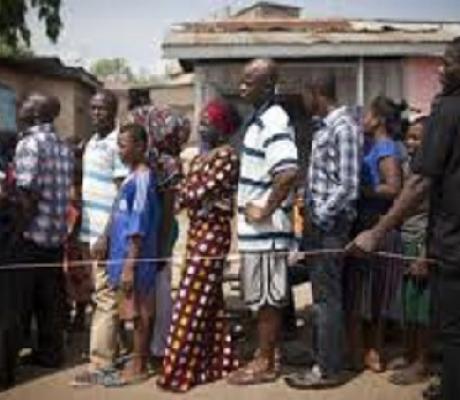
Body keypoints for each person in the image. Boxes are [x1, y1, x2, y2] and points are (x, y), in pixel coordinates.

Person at [347, 36, 460, 400]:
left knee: (452, 328)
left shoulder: (447, 109)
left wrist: (377, 233)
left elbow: (419, 181)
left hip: (452, 242)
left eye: (449, 61)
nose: (441, 70)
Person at [157, 99, 240, 393]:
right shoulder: (199, 158)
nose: (202, 127)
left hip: (213, 235)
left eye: (209, 122)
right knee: (210, 302)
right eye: (202, 121)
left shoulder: (227, 156)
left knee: (189, 302)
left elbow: (194, 192)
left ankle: (176, 373)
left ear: (223, 128)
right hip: (196, 232)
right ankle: (218, 364)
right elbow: (185, 194)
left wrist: (183, 191)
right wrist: (184, 192)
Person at [285, 76, 361, 389]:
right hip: (318, 225)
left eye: (304, 94)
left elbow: (348, 185)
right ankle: (322, 356)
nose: (302, 101)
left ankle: (328, 369)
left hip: (331, 227)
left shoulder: (343, 128)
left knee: (327, 299)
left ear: (316, 93)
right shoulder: (323, 128)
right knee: (320, 296)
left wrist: (320, 214)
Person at [228, 58, 298, 385]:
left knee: (268, 301)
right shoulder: (258, 119)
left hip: (267, 232)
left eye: (248, 81)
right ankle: (266, 354)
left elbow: (287, 172)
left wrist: (265, 210)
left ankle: (266, 363)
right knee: (261, 299)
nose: (241, 87)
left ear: (267, 86)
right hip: (257, 233)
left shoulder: (274, 119)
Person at [344, 96, 404, 375]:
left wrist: (361, 190)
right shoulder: (369, 145)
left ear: (378, 119)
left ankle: (373, 351)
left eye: (366, 114)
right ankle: (360, 351)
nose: (362, 119)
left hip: (378, 228)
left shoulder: (385, 148)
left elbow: (393, 188)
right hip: (364, 225)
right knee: (361, 294)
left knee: (375, 295)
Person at [127, 104, 191, 367]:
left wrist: (163, 248)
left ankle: (159, 348)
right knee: (150, 289)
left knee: (160, 288)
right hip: (152, 230)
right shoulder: (154, 160)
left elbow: (167, 209)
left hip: (159, 232)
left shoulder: (166, 163)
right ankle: (151, 345)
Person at [14, 93, 74, 368]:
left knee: (21, 299)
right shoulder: (63, 145)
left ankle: (12, 354)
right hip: (55, 235)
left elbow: (28, 194)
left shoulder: (29, 144)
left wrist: (19, 230)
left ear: (37, 113)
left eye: (26, 103)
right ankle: (51, 352)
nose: (20, 106)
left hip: (32, 234)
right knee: (50, 299)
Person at [73, 90, 128, 385]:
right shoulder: (93, 142)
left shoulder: (117, 145)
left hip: (106, 234)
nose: (96, 114)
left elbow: (121, 195)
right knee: (102, 294)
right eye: (92, 109)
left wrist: (106, 235)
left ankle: (101, 365)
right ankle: (115, 351)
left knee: (105, 297)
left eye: (102, 109)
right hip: (90, 233)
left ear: (114, 111)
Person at [101, 123, 160, 386]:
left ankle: (139, 364)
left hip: (135, 257)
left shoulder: (143, 178)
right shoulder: (130, 176)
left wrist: (129, 266)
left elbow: (138, 224)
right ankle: (135, 358)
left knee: (140, 311)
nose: (120, 151)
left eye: (123, 145)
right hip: (122, 255)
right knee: (129, 309)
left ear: (140, 146)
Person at [388, 115, 431, 385]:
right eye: (409, 137)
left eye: (417, 138)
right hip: (404, 240)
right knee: (407, 305)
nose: (410, 142)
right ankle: (410, 352)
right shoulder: (407, 167)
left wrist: (424, 254)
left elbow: (439, 216)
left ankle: (422, 361)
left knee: (422, 308)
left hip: (422, 242)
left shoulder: (432, 174)